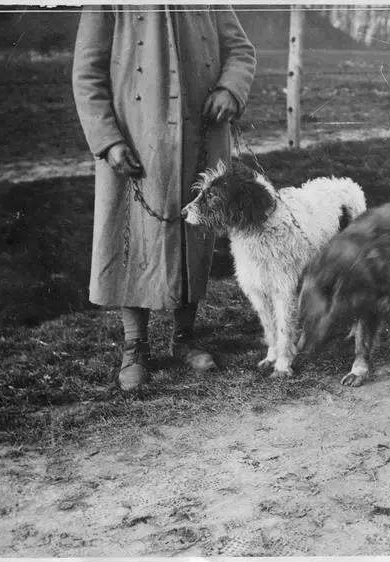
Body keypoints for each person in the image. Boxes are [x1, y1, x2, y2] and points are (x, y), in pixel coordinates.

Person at [72, 5, 256, 391]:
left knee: (194, 231)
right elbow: (87, 73)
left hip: (201, 133)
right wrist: (108, 140)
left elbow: (240, 50)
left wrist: (229, 88)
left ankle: (185, 337)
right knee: (133, 238)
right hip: (137, 138)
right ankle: (134, 347)